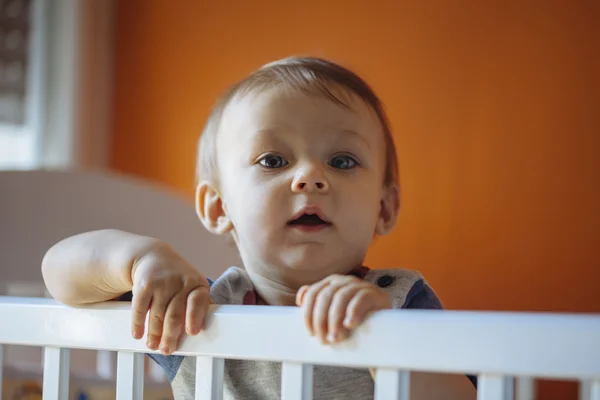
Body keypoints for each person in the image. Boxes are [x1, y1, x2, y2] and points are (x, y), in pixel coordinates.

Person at [42, 57, 476, 399]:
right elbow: (57, 272)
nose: (309, 177)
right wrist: (138, 259)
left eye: (342, 161)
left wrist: (388, 339)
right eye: (273, 161)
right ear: (217, 206)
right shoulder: (196, 311)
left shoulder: (397, 301)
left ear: (385, 207)